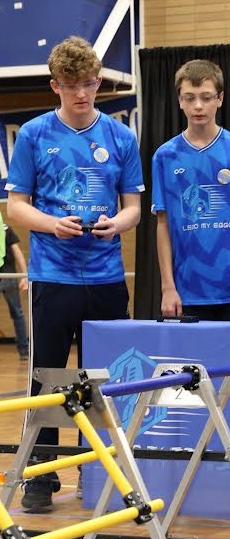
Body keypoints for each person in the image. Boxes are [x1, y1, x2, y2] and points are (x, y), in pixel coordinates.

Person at [5, 35, 144, 513]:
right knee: (46, 381)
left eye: (88, 84)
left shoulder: (121, 138)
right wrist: (51, 224)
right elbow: (16, 207)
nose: (81, 93)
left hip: (105, 278)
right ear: (54, 86)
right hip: (52, 276)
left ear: (99, 82)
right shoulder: (34, 135)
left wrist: (115, 226)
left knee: (106, 381)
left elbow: (134, 210)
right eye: (70, 85)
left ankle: (102, 471)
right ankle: (40, 480)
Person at [151, 59, 230, 449]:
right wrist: (168, 287)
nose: (198, 105)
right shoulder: (165, 156)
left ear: (220, 99)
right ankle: (192, 463)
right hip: (187, 293)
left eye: (205, 97)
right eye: (189, 97)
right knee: (187, 387)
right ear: (179, 101)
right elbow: (162, 224)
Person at [0, 217, 29, 359]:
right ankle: (24, 351)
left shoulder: (5, 229)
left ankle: (24, 350)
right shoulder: (6, 228)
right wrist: (24, 274)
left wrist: (24, 275)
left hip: (9, 276)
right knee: (17, 313)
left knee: (17, 313)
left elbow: (16, 251)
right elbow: (17, 251)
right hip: (9, 275)